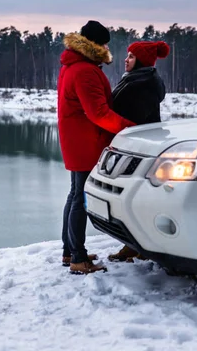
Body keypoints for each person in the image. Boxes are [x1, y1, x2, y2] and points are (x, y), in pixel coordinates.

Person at [57, 20, 136, 275]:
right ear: (95, 44)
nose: (105, 47)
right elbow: (99, 113)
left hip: (76, 140)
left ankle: (70, 251)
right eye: (103, 43)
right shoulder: (85, 71)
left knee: (74, 195)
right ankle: (78, 259)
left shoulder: (72, 66)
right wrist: (129, 127)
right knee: (79, 197)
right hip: (86, 141)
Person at [107, 40, 170, 263]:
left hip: (139, 149)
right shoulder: (138, 79)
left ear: (141, 61)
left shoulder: (144, 83)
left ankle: (138, 245)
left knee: (134, 199)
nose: (126, 59)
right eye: (128, 55)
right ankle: (134, 245)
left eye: (132, 56)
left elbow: (132, 117)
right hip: (135, 147)